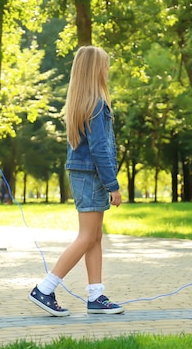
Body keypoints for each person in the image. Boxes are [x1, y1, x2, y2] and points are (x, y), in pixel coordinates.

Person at [28, 46, 124, 316]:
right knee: (86, 237)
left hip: (84, 174)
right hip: (92, 175)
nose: (108, 70)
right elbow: (100, 150)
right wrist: (112, 185)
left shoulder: (83, 102)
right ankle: (45, 288)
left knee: (94, 237)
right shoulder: (96, 104)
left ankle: (96, 296)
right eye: (105, 65)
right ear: (95, 70)